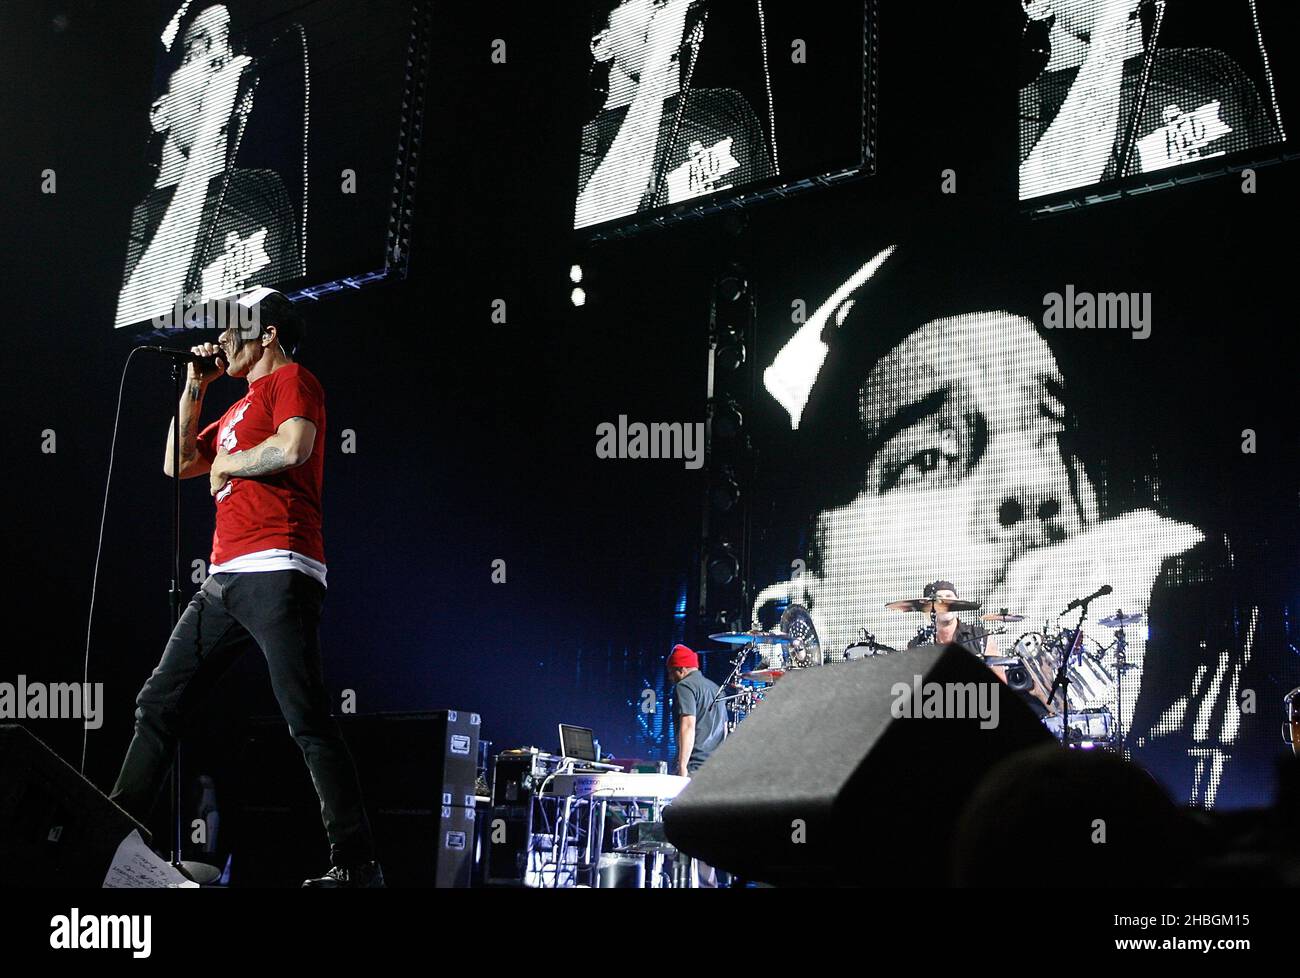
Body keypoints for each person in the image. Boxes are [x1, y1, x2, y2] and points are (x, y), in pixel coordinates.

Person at [108, 288, 381, 888]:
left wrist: (229, 466)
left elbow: (294, 446)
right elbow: (177, 465)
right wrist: (195, 388)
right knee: (158, 702)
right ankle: (112, 839)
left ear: (270, 335)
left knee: (305, 716)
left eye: (235, 329)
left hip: (280, 564)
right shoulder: (234, 408)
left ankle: (358, 865)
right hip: (225, 578)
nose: (223, 338)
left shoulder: (294, 381)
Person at [116, 3, 303, 328]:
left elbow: (287, 316)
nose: (220, 57)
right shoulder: (138, 219)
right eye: (197, 48)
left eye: (227, 45)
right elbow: (142, 313)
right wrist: (207, 134)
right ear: (160, 111)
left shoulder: (265, 189)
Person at [1019, 0, 1282, 199]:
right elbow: (1046, 189)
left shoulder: (1212, 66)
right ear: (1037, 4)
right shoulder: (1026, 106)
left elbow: (1268, 179)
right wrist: (1111, 23)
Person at [576, 0, 776, 228]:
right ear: (603, 45)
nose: (665, 8)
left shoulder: (728, 104)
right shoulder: (585, 140)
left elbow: (770, 216)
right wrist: (657, 59)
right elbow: (590, 222)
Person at [666, 644, 726, 777]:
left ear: (681, 669)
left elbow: (688, 725)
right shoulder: (716, 688)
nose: (670, 677)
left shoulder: (684, 686)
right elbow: (724, 728)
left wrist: (682, 766)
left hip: (693, 766)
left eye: (671, 672)